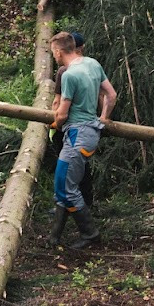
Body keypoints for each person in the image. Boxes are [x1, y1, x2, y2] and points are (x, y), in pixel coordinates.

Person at [48, 31, 116, 249]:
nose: (54, 57)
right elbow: (111, 95)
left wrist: (55, 123)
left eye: (53, 53)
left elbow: (62, 114)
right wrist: (103, 118)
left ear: (59, 52)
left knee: (65, 188)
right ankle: (54, 238)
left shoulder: (69, 75)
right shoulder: (92, 64)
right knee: (64, 184)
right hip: (90, 133)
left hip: (77, 136)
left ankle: (90, 233)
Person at [48, 31, 94, 208]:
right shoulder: (91, 67)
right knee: (82, 166)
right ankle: (86, 201)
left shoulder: (64, 72)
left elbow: (58, 101)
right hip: (88, 127)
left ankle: (67, 205)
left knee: (65, 168)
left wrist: (55, 122)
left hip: (68, 127)